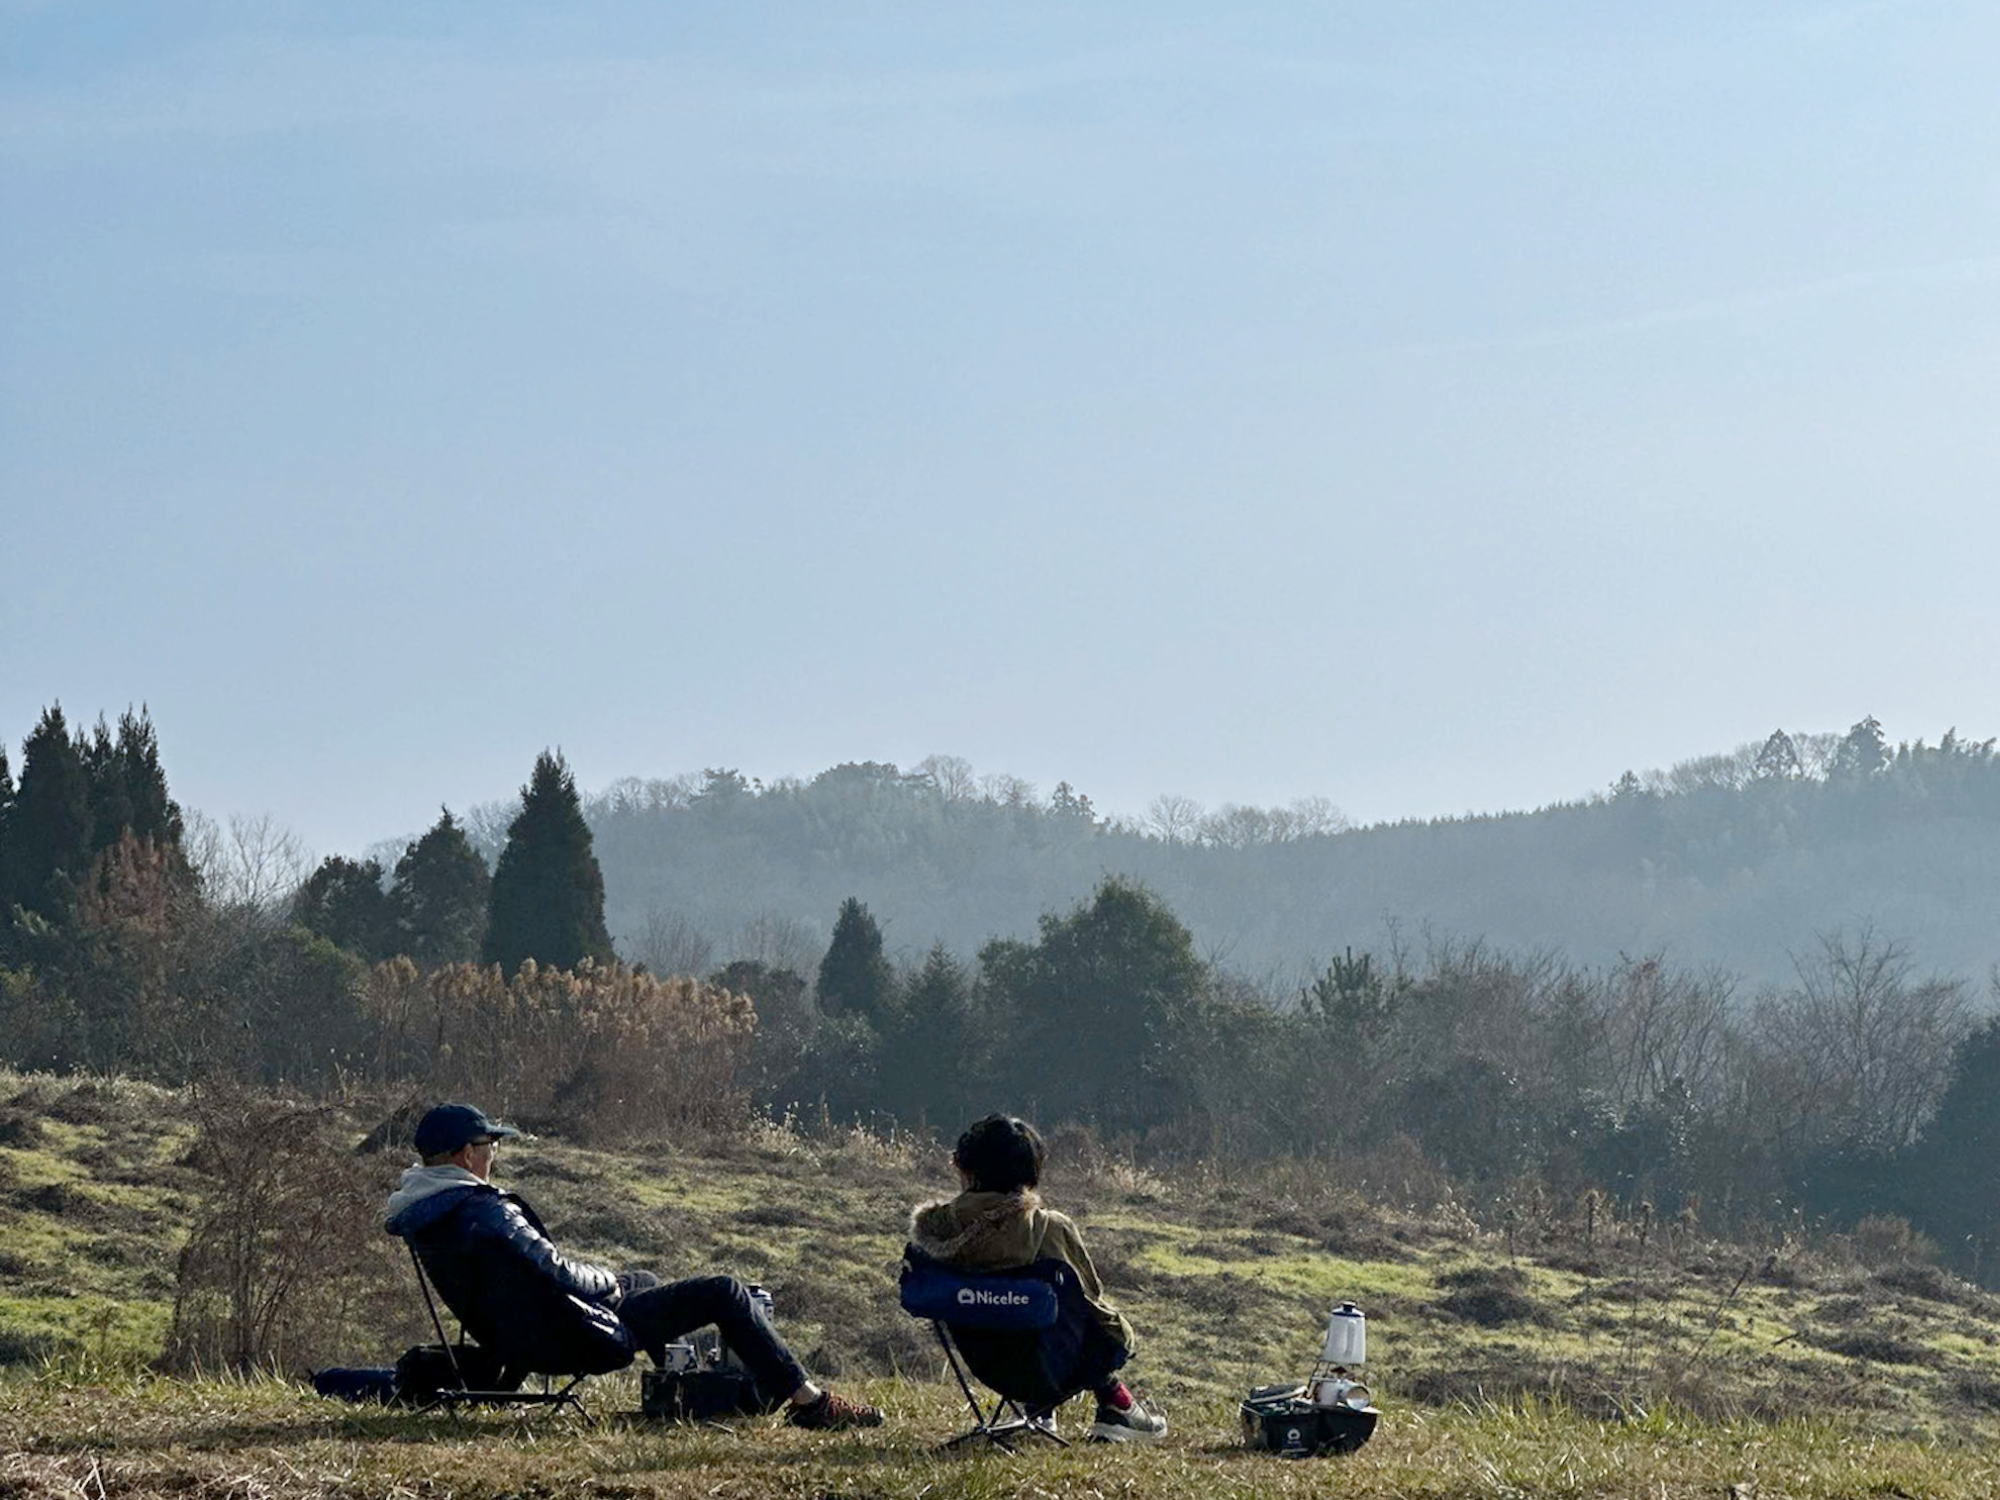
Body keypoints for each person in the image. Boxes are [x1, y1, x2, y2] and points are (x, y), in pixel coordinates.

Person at [383, 1102, 880, 1431]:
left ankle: (683, 1390)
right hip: (575, 1338)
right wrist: (609, 1283)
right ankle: (811, 1403)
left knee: (647, 1282)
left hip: (517, 1338)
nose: (494, 1156)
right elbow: (556, 1270)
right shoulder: (485, 1210)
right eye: (492, 1146)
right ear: (468, 1154)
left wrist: (619, 1286)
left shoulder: (426, 1211)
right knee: (725, 1291)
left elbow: (532, 1279)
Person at [908, 1113, 1167, 1443]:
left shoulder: (935, 1233)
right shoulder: (1049, 1228)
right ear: (1032, 1174)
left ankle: (1041, 1412)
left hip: (985, 1362)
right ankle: (1119, 1407)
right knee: (1093, 1321)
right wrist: (1122, 1336)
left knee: (1028, 1316)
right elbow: (1091, 1297)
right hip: (1048, 1365)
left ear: (962, 1166)